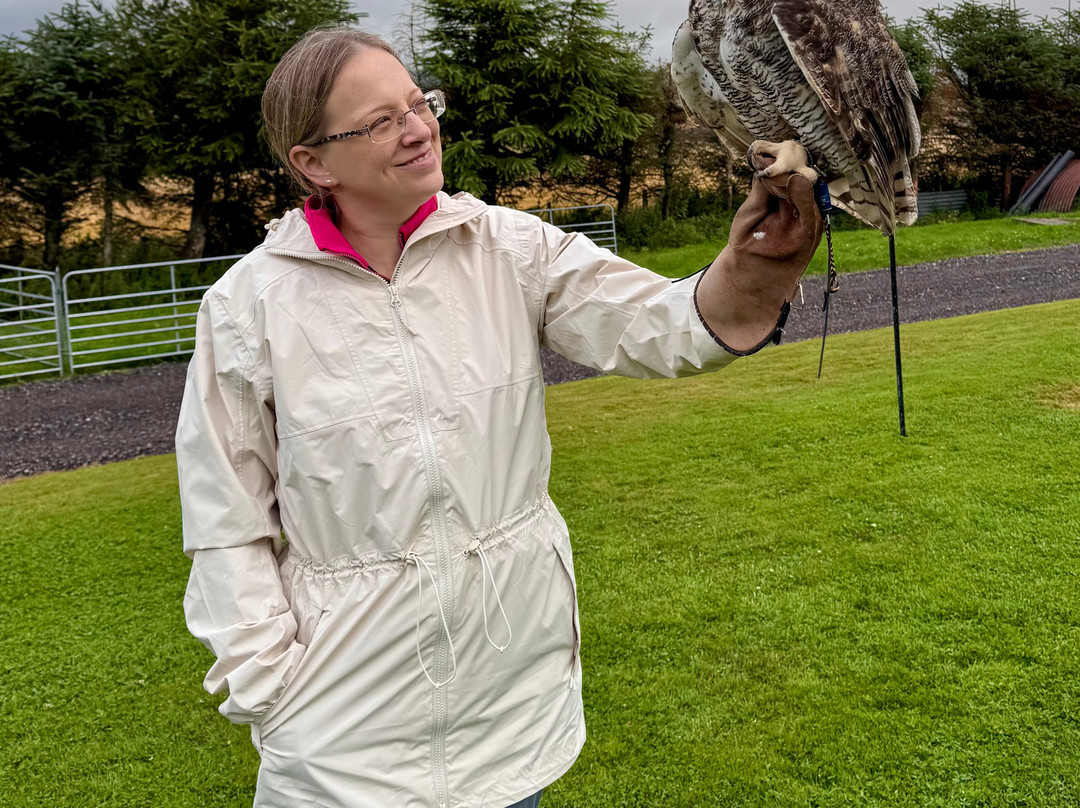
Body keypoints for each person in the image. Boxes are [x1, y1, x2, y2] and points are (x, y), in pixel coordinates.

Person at [176, 25, 823, 808]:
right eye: (381, 121)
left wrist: (755, 264)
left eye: (419, 103)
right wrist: (271, 688)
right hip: (339, 741)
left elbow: (659, 322)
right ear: (311, 162)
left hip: (510, 711)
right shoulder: (249, 306)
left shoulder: (508, 249)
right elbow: (225, 521)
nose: (419, 128)